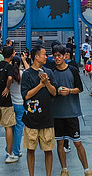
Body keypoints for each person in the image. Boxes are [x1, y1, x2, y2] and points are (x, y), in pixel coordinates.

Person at [50, 45, 92, 175]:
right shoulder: (51, 71)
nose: (57, 58)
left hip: (71, 112)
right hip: (57, 113)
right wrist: (57, 91)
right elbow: (50, 90)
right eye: (55, 56)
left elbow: (79, 88)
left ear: (65, 56)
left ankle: (86, 169)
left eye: (59, 55)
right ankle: (64, 169)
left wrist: (69, 91)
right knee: (60, 143)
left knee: (77, 142)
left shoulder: (73, 70)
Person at [21, 46, 57, 176]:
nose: (46, 57)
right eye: (44, 54)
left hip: (47, 117)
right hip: (31, 118)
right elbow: (26, 95)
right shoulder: (27, 74)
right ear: (36, 56)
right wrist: (40, 85)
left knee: (48, 150)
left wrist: (46, 83)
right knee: (30, 149)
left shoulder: (49, 72)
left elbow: (54, 92)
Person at [10, 53, 25, 158]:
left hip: (10, 104)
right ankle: (16, 150)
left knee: (10, 128)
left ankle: (9, 149)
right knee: (19, 128)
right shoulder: (22, 74)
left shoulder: (10, 74)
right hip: (20, 103)